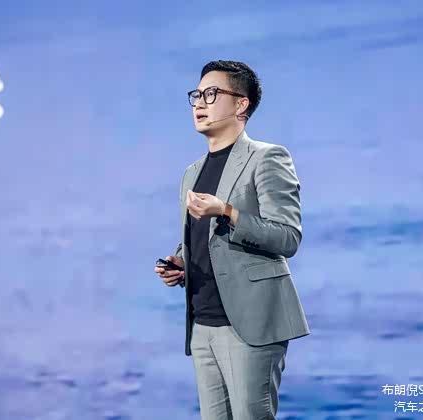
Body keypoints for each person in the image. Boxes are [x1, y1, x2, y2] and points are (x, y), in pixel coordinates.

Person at [154, 60, 310, 420]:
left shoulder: (267, 158)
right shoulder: (191, 173)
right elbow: (200, 238)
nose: (199, 103)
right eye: (196, 95)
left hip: (250, 325)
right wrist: (180, 262)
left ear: (241, 104)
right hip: (202, 324)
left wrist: (227, 211)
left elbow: (287, 237)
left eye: (211, 94)